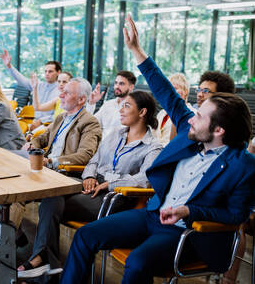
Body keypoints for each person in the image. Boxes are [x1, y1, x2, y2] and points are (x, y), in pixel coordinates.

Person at [60, 14, 255, 284]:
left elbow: (236, 216)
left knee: (137, 262)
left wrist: (189, 211)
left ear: (219, 130)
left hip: (187, 232)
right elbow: (164, 91)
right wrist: (136, 51)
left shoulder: (241, 164)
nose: (191, 118)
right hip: (153, 214)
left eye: (199, 115)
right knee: (86, 235)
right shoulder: (191, 135)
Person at [0, 78, 102, 281]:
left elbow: (85, 155)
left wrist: (51, 160)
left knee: (23, 195)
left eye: (67, 93)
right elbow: (42, 137)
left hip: (66, 175)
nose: (60, 95)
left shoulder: (90, 122)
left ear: (81, 99)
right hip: (45, 173)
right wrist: (33, 144)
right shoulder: (61, 118)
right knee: (9, 185)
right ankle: (10, 243)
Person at [18, 91, 162, 280]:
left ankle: (43, 260)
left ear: (142, 112)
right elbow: (93, 161)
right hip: (92, 186)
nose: (121, 109)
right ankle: (44, 261)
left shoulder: (153, 146)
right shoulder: (114, 136)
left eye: (127, 106)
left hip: (114, 197)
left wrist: (110, 184)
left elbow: (145, 179)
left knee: (51, 202)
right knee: (51, 193)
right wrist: (89, 176)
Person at [0, 49, 61, 130]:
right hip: (33, 120)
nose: (47, 74)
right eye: (45, 71)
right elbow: (21, 79)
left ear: (58, 72)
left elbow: (59, 115)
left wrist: (41, 121)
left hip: (47, 123)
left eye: (50, 71)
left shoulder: (61, 90)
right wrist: (9, 66)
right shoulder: (39, 85)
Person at [91, 70, 136, 138]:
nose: (117, 86)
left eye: (121, 84)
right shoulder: (108, 104)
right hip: (100, 144)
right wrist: (92, 103)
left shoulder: (135, 108)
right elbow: (92, 123)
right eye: (116, 83)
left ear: (131, 87)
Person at [155, 73, 196, 146]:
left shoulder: (192, 114)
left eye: (174, 89)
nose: (169, 92)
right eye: (167, 89)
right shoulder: (162, 113)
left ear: (185, 91)